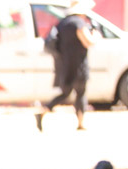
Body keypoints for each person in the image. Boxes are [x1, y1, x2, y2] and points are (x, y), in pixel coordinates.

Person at [36, 0, 98, 131]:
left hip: (64, 65)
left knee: (65, 93)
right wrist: (95, 34)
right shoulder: (79, 23)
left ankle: (44, 110)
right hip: (79, 65)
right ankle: (81, 122)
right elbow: (89, 42)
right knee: (80, 94)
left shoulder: (62, 23)